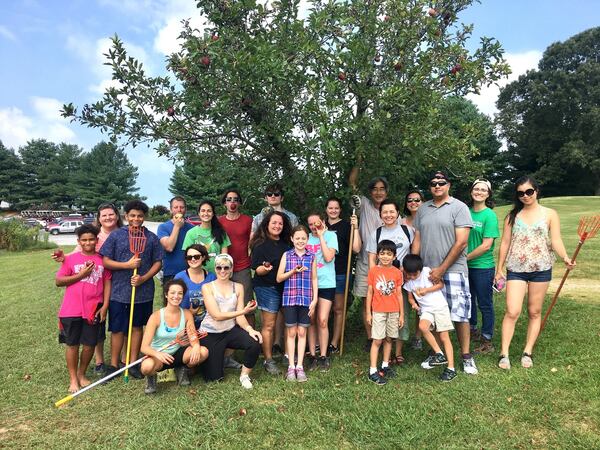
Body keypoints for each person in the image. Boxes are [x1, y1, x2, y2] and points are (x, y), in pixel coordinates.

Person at [495, 176, 574, 370]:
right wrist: (499, 268)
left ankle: (527, 351)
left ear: (536, 191)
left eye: (529, 192)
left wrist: (564, 256)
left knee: (534, 311)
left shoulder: (550, 214)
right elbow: (505, 243)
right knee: (512, 311)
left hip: (541, 269)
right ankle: (504, 353)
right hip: (516, 269)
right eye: (520, 193)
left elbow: (555, 240)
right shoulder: (512, 216)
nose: (525, 196)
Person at [412, 171, 477, 375]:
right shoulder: (423, 209)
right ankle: (437, 353)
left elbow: (462, 242)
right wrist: (412, 267)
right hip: (427, 271)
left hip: (454, 270)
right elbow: (418, 240)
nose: (437, 186)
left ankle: (466, 356)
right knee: (429, 312)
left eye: (441, 182)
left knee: (459, 315)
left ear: (448, 185)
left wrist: (442, 269)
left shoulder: (459, 207)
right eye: (433, 183)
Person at [100, 200, 164, 379]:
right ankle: (114, 365)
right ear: (126, 216)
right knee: (118, 329)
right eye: (133, 215)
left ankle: (132, 362)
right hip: (119, 292)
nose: (136, 219)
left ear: (145, 217)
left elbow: (158, 262)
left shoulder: (151, 238)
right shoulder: (116, 236)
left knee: (137, 327)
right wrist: (126, 265)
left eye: (140, 216)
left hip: (142, 293)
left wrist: (144, 277)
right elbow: (105, 261)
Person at [55, 224, 111, 393]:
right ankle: (73, 379)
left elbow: (107, 282)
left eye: (91, 239)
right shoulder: (70, 259)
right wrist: (81, 275)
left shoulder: (103, 260)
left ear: (97, 240)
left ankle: (81, 374)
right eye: (84, 240)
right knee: (72, 345)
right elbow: (59, 281)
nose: (88, 242)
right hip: (71, 310)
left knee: (89, 344)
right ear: (79, 241)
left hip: (93, 309)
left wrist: (105, 306)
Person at [199, 254, 263, 389]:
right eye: (219, 267)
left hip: (229, 330)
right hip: (211, 332)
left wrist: (250, 329)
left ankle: (244, 375)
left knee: (254, 343)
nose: (222, 271)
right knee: (214, 378)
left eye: (226, 267)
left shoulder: (238, 287)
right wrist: (243, 312)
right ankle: (216, 359)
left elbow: (240, 318)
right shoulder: (207, 287)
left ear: (231, 268)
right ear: (215, 269)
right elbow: (216, 315)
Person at [140, 279, 209, 394]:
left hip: (177, 353)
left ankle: (182, 369)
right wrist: (157, 354)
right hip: (159, 356)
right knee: (146, 367)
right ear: (166, 295)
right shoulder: (156, 316)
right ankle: (151, 378)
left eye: (180, 293)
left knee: (203, 352)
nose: (176, 296)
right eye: (172, 293)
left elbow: (192, 336)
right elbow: (144, 347)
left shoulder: (186, 314)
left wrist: (196, 345)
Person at [366, 199, 413, 365]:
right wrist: (377, 277)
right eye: (385, 212)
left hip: (404, 279)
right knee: (383, 314)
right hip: (382, 282)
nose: (388, 215)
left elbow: (414, 253)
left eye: (392, 211)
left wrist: (410, 272)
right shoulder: (376, 234)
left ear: (397, 213)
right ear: (380, 215)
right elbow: (372, 258)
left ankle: (398, 352)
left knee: (402, 313)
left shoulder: (408, 231)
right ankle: (384, 352)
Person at [250, 211, 292, 375]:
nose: (277, 226)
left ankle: (288, 355)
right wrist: (264, 268)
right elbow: (257, 269)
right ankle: (268, 360)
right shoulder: (260, 244)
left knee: (290, 322)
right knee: (269, 325)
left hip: (286, 288)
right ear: (267, 224)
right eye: (274, 223)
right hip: (267, 287)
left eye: (280, 223)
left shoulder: (287, 244)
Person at [403, 254, 456, 382]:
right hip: (426, 310)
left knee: (444, 336)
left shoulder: (427, 272)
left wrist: (426, 290)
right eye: (408, 274)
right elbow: (410, 297)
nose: (411, 277)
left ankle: (451, 368)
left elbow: (440, 285)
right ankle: (439, 354)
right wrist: (414, 304)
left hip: (440, 307)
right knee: (422, 327)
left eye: (414, 275)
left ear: (420, 270)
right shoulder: (408, 282)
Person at [276, 225, 318, 382]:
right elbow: (279, 278)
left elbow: (314, 279)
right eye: (297, 238)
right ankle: (291, 366)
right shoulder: (287, 255)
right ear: (292, 239)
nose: (300, 241)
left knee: (302, 332)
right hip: (290, 299)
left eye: (303, 238)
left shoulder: (312, 256)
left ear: (307, 239)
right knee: (291, 332)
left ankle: (300, 366)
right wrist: (293, 271)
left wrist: (314, 300)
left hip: (306, 299)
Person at [352, 177, 389, 351]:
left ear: (386, 192)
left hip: (386, 265)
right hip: (365, 262)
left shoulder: (390, 210)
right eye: (375, 189)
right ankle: (370, 337)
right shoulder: (365, 204)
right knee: (368, 300)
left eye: (382, 189)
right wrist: (359, 155)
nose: (379, 192)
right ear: (370, 192)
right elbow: (353, 184)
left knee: (384, 300)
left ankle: (384, 336)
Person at [324, 197, 361, 354]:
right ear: (326, 209)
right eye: (330, 208)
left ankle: (334, 342)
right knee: (324, 309)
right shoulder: (320, 225)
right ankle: (321, 341)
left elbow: (357, 249)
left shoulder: (347, 226)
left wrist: (356, 227)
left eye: (336, 208)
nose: (333, 211)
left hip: (340, 272)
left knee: (339, 308)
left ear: (340, 210)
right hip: (322, 273)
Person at [466, 179, 499, 354]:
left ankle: (487, 339)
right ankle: (472, 330)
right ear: (471, 191)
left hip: (482, 266)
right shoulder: (466, 212)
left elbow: (487, 244)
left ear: (488, 194)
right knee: (468, 299)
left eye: (483, 190)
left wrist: (465, 258)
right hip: (465, 266)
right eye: (476, 189)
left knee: (485, 303)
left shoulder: (489, 215)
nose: (479, 192)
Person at [365, 240, 404, 385]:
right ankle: (372, 370)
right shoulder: (373, 271)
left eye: (389, 254)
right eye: (382, 253)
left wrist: (402, 314)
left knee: (389, 339)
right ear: (378, 255)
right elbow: (369, 293)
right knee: (377, 340)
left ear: (394, 256)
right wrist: (369, 313)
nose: (386, 257)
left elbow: (399, 294)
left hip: (393, 311)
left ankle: (385, 365)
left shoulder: (397, 272)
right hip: (378, 311)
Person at [306, 212, 338, 371]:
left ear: (323, 221)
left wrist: (320, 237)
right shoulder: (305, 238)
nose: (313, 227)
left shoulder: (331, 236)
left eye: (316, 223)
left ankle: (323, 356)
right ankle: (312, 355)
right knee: (310, 320)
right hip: (309, 284)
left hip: (326, 283)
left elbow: (328, 257)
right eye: (310, 224)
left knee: (323, 320)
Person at [218, 190, 254, 324]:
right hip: (223, 268)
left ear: (239, 203)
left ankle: (251, 337)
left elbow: (253, 241)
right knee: (225, 302)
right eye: (229, 199)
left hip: (242, 267)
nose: (232, 202)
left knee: (247, 304)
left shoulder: (248, 220)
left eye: (235, 199)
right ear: (224, 203)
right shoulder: (219, 221)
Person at [401, 190, 425, 351]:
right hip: (407, 267)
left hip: (425, 264)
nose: (413, 202)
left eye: (417, 200)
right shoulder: (401, 222)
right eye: (410, 200)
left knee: (421, 301)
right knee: (407, 301)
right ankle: (402, 336)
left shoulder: (427, 219)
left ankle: (418, 336)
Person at [174, 244, 217, 329]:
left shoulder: (212, 277)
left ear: (203, 257)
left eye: (196, 256)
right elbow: (172, 305)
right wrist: (189, 313)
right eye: (189, 257)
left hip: (208, 325)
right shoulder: (179, 277)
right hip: (184, 325)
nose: (193, 259)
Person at [182, 200, 231, 274]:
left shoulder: (221, 232)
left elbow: (224, 257)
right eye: (203, 211)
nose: (206, 213)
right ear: (199, 213)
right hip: (198, 275)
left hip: (217, 275)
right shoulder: (191, 233)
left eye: (209, 211)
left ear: (213, 214)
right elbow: (188, 258)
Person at [157, 196, 194, 284]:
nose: (179, 210)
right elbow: (169, 247)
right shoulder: (163, 227)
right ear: (171, 210)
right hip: (171, 274)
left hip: (190, 272)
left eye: (182, 207)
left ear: (185, 209)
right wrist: (177, 226)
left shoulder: (192, 229)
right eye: (176, 207)